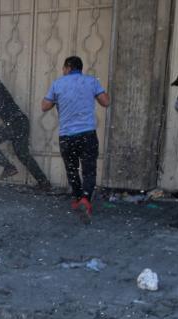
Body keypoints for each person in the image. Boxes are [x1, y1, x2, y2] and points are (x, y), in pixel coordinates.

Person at [41, 55, 110, 221]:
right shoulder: (91, 81)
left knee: (71, 169)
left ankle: (78, 197)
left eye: (64, 68)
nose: (63, 71)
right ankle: (86, 198)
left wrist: (58, 99)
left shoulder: (58, 83)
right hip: (87, 134)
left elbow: (44, 106)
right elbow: (105, 102)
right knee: (89, 169)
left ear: (68, 67)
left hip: (67, 136)